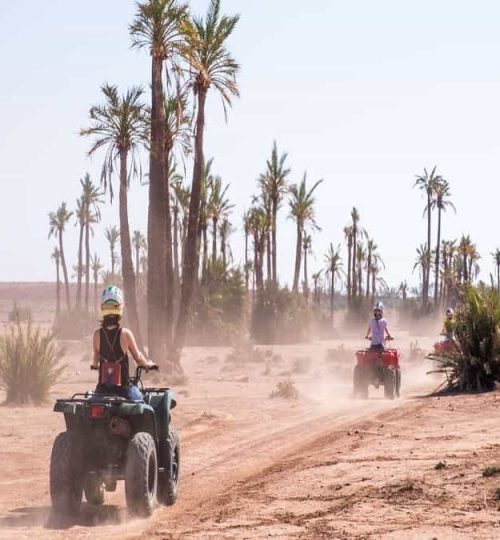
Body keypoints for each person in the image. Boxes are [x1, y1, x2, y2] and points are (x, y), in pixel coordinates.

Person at [91, 285, 156, 400]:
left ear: (103, 308)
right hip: (123, 391)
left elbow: (95, 360)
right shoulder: (125, 334)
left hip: (102, 391)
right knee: (145, 401)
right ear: (120, 308)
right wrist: (147, 365)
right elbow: (138, 358)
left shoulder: (97, 335)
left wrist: (95, 365)